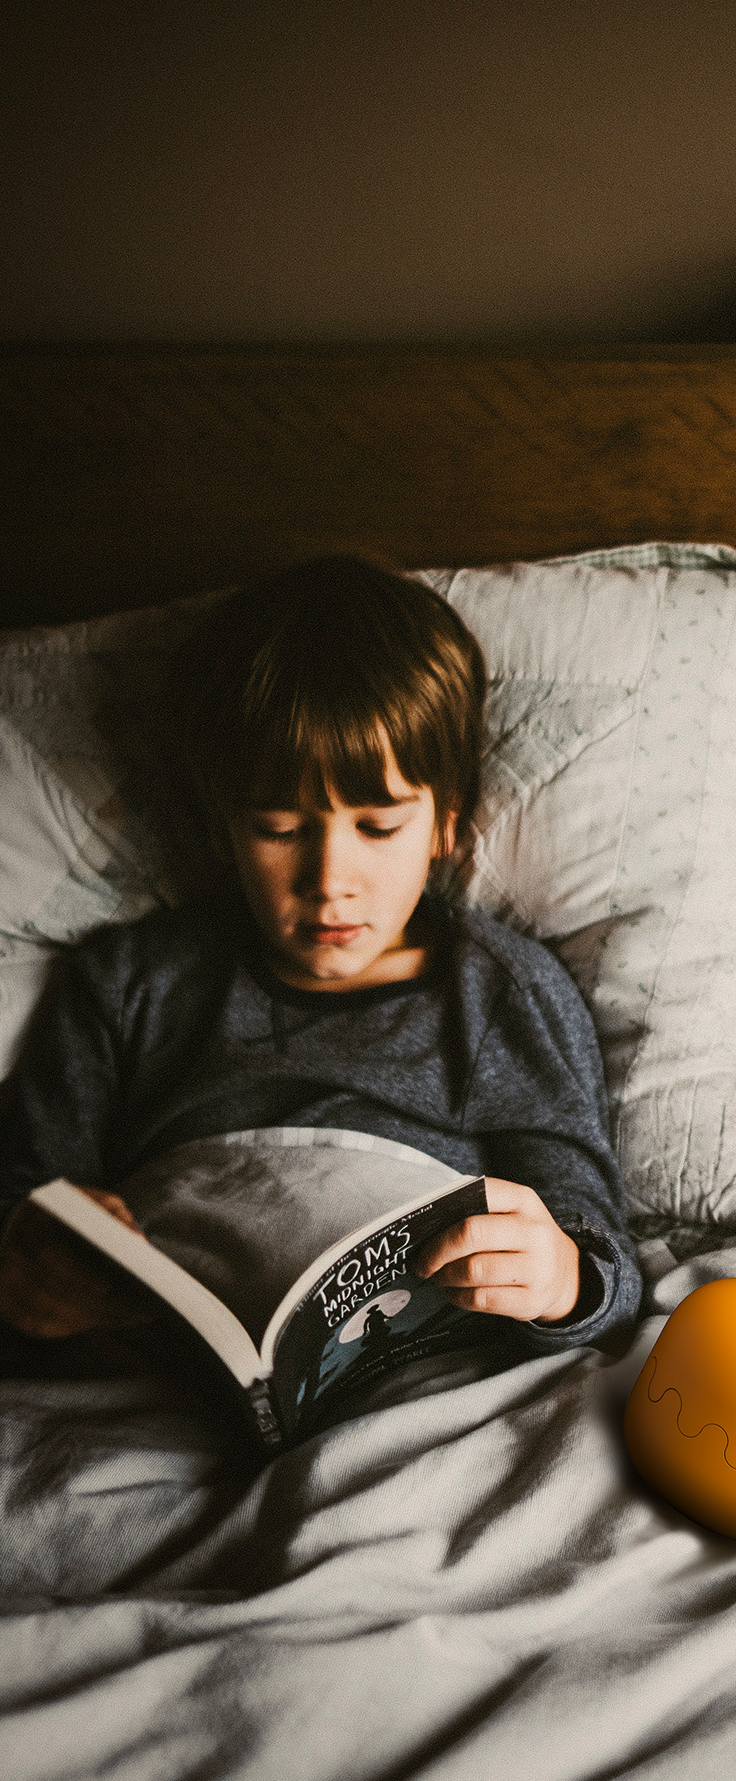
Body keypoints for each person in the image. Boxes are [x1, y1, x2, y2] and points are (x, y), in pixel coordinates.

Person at [0, 556, 642, 1361]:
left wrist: (563, 1281)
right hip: (163, 1371)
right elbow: (29, 1201)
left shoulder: (499, 994)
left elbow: (597, 1242)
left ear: (447, 824)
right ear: (221, 825)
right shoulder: (130, 984)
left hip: (422, 1369)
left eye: (378, 828)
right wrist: (33, 1271)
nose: (331, 882)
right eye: (279, 829)